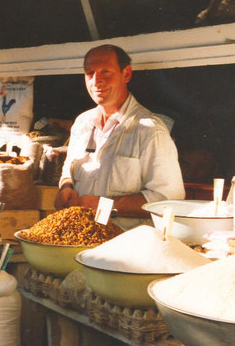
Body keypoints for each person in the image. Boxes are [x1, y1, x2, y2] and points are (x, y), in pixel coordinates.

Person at [54, 44, 185, 228]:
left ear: (126, 74)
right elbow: (69, 168)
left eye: (105, 72)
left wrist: (105, 205)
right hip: (80, 238)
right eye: (90, 73)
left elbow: (168, 199)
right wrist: (66, 187)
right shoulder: (82, 122)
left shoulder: (150, 130)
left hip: (126, 245)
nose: (96, 81)